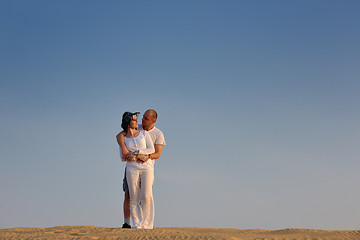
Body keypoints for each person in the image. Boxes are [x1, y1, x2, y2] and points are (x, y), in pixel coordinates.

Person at [116, 109, 165, 229]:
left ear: (153, 121)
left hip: (147, 167)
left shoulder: (155, 134)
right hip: (131, 168)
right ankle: (135, 223)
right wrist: (123, 148)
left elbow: (155, 152)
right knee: (132, 196)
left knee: (146, 195)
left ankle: (147, 224)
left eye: (145, 119)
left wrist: (139, 154)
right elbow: (119, 136)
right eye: (141, 117)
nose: (140, 120)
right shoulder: (137, 128)